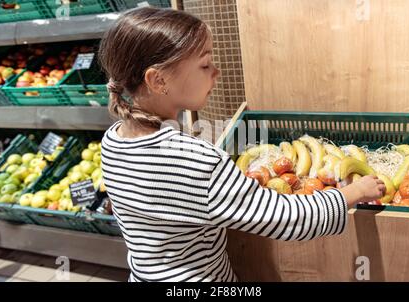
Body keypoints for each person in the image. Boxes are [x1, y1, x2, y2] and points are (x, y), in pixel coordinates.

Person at [98, 7, 386, 282]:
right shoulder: (197, 161)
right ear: (158, 79)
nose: (216, 72)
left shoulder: (112, 141)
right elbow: (286, 218)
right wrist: (355, 191)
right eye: (205, 63)